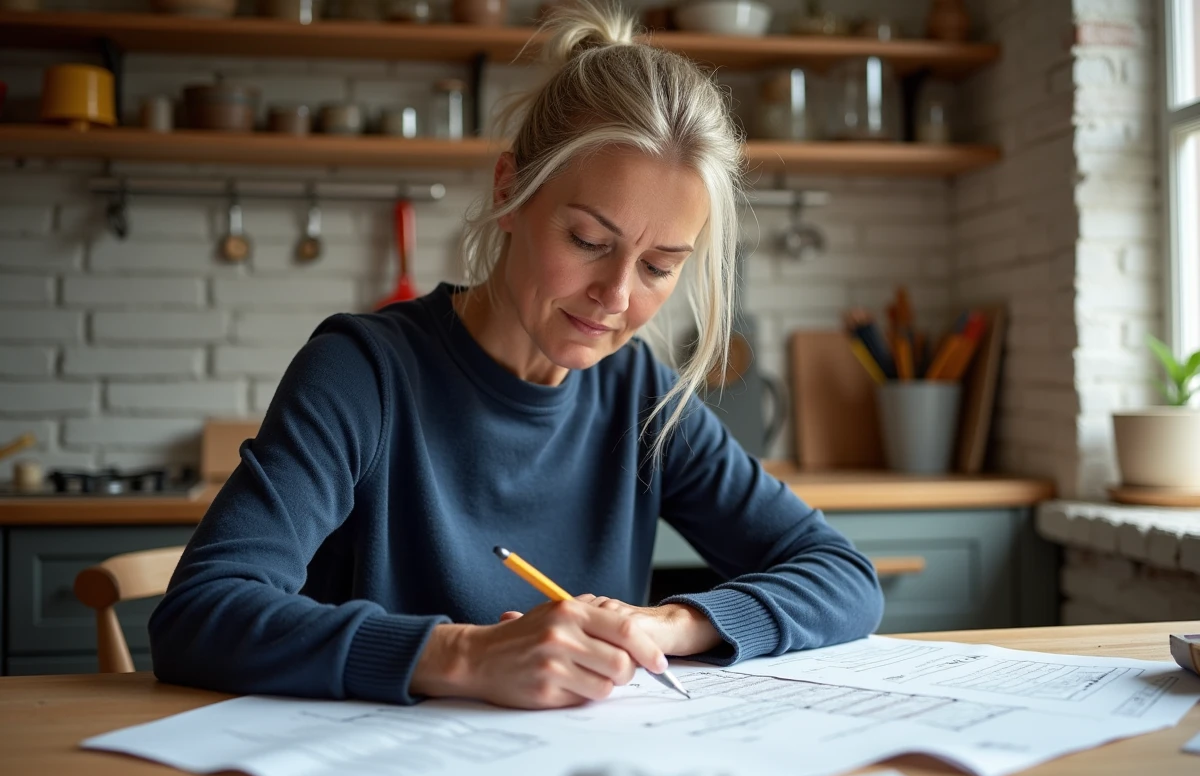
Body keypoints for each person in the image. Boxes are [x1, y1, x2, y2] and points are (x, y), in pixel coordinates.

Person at [149, 1, 883, 711]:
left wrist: (665, 624)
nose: (616, 296)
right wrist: (464, 656)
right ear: (510, 192)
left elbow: (843, 576)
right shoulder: (363, 372)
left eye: (659, 267)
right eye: (589, 243)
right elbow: (200, 614)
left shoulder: (640, 397)